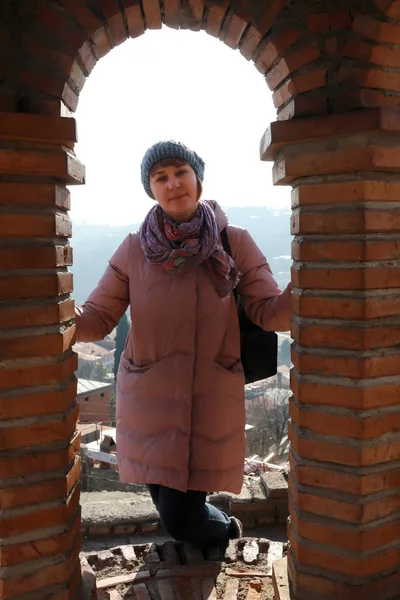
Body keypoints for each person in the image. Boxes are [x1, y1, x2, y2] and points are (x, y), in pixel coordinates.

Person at [75, 140, 292, 547]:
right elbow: (99, 317)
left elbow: (267, 310)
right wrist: (53, 310)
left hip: (206, 398)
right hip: (148, 396)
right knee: (165, 500)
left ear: (199, 179)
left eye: (180, 173)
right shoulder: (134, 248)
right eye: (161, 177)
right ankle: (210, 538)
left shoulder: (234, 242)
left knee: (178, 517)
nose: (173, 183)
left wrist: (311, 285)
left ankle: (224, 530)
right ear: (151, 189)